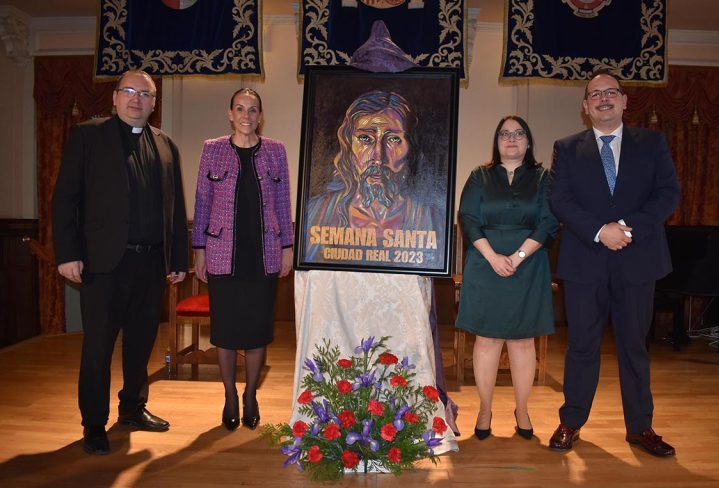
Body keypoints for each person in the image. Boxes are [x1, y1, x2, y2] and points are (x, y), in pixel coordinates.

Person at [52, 70, 188, 455]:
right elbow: (65, 199)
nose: (136, 99)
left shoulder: (165, 145)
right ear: (114, 97)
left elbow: (175, 209)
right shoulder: (87, 136)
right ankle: (93, 423)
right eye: (128, 91)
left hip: (150, 266)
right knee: (98, 347)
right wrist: (68, 254)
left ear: (154, 102)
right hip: (103, 264)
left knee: (141, 343)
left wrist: (177, 257)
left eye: (145, 94)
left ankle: (132, 407)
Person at [548, 70, 680, 457]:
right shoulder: (566, 147)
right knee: (582, 347)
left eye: (611, 93)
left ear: (624, 101)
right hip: (584, 263)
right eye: (595, 95)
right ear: (585, 108)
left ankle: (640, 428)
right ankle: (571, 422)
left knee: (634, 347)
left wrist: (624, 227)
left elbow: (668, 193)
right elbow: (560, 199)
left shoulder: (652, 143)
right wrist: (599, 231)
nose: (603, 99)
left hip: (637, 261)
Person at [192, 88, 293, 432]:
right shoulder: (213, 150)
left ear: (260, 116)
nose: (247, 115)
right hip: (223, 256)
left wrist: (288, 248)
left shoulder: (276, 152)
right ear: (230, 114)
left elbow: (283, 203)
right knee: (225, 334)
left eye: (253, 110)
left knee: (255, 333)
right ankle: (229, 396)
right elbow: (203, 202)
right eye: (240, 109)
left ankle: (250, 395)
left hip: (263, 256)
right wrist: (199, 250)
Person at [455, 115, 559, 440]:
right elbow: (468, 219)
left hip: (528, 266)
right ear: (497, 141)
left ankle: (522, 409)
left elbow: (548, 222)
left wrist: (516, 257)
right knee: (486, 340)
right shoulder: (479, 175)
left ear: (528, 142)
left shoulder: (544, 177)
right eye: (504, 134)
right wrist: (494, 257)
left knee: (523, 340)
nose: (511, 138)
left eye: (518, 133)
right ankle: (485, 409)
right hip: (485, 264)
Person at [303, 90, 443, 267]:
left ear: (410, 147)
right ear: (348, 145)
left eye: (392, 139)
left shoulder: (430, 219)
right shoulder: (317, 212)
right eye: (365, 138)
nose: (378, 157)